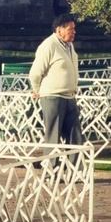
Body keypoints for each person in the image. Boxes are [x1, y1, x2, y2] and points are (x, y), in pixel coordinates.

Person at [29, 13, 81, 146]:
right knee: (53, 136)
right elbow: (35, 73)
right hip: (53, 97)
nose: (74, 32)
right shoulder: (48, 46)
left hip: (70, 96)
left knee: (75, 136)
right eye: (71, 29)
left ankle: (75, 166)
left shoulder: (69, 46)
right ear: (59, 30)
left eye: (74, 29)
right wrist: (37, 90)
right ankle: (53, 166)